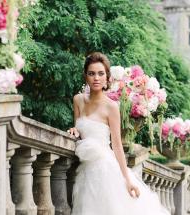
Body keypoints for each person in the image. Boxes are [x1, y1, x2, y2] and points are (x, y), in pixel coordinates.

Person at [68, 52, 169, 215]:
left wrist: (127, 180)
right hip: (86, 170)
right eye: (91, 73)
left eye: (101, 74)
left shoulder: (111, 107)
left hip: (106, 169)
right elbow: (80, 126)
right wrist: (75, 129)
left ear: (107, 77)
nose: (96, 78)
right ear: (85, 76)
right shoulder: (78, 100)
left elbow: (116, 145)